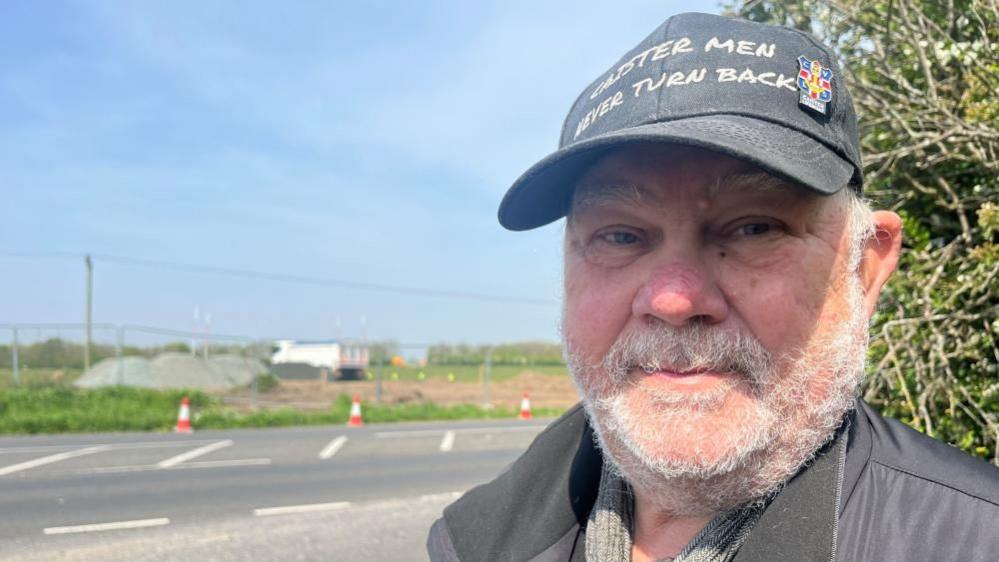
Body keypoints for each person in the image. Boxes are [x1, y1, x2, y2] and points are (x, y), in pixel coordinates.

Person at [427, 12, 999, 562]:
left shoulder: (973, 538)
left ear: (863, 268)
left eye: (754, 227)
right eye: (621, 236)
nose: (674, 301)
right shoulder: (477, 538)